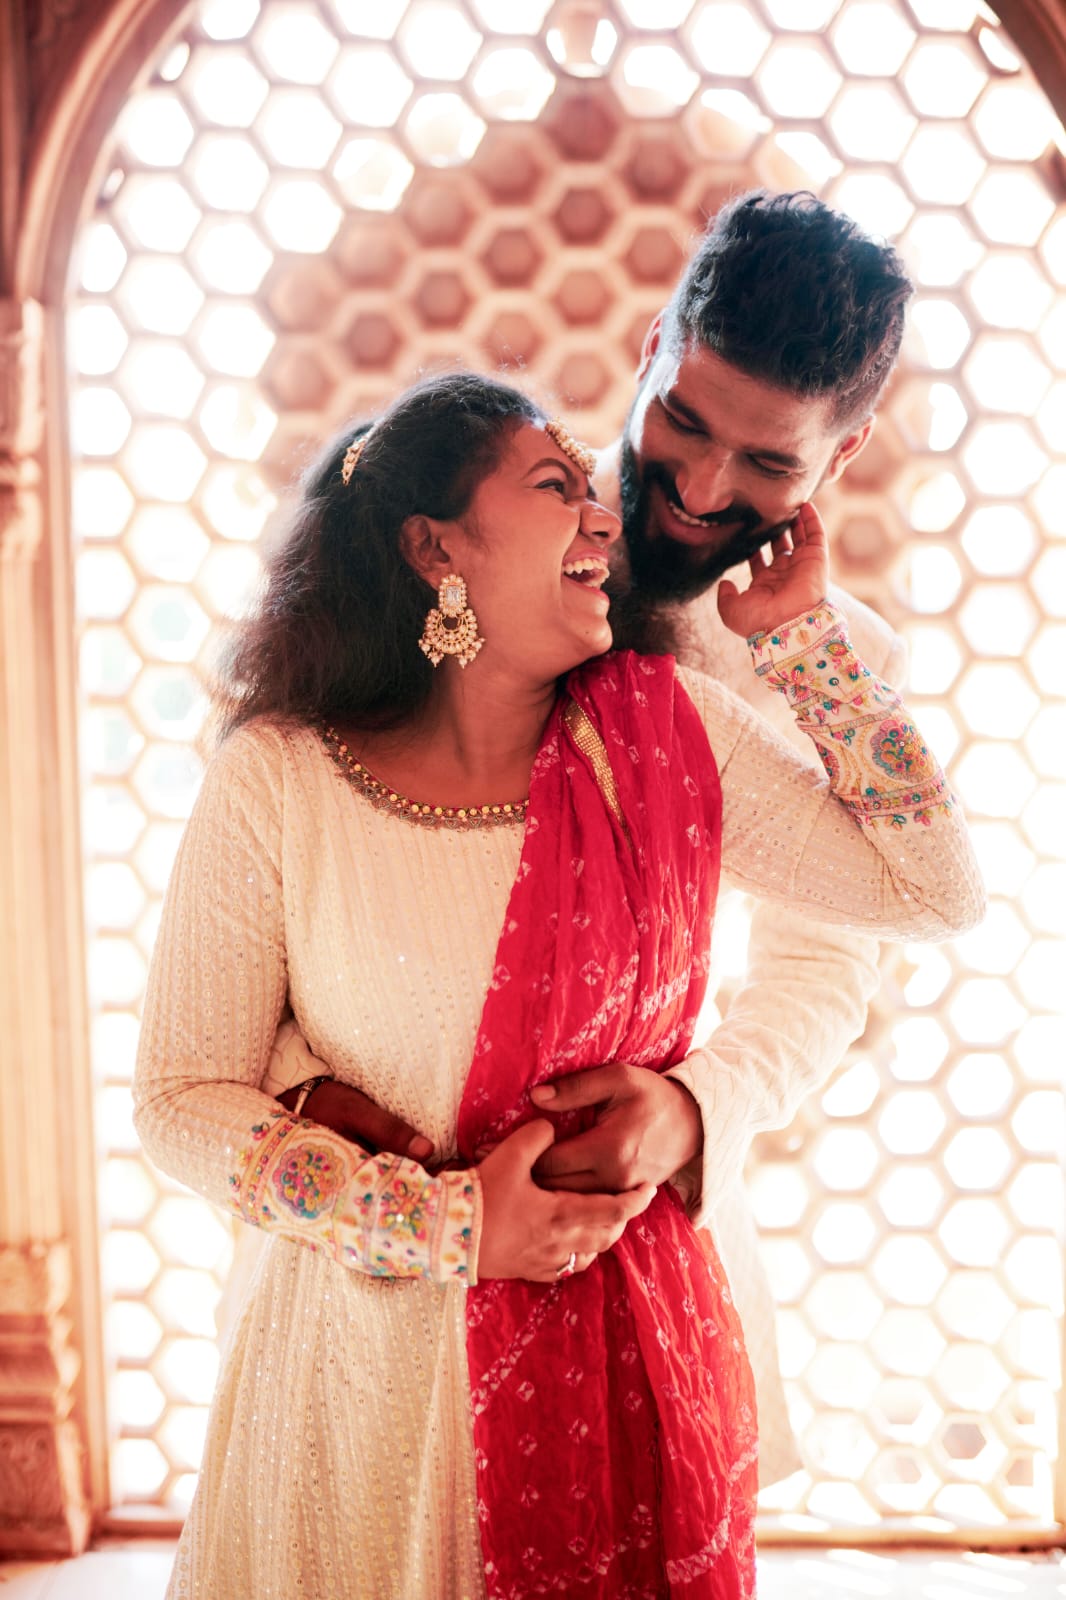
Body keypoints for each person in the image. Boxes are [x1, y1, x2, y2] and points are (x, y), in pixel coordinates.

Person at [133, 369, 984, 1598]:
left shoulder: (668, 735)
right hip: (355, 1382)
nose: (601, 516)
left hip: (624, 1363)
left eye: (587, 486)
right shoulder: (279, 779)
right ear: (435, 548)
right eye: (552, 486)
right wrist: (445, 1225)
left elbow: (933, 892)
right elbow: (180, 1098)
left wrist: (802, 643)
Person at [252, 190, 917, 1486]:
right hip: (375, 1216)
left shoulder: (833, 668)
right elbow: (282, 844)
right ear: (653, 347)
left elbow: (825, 969)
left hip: (631, 1234)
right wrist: (298, 1085)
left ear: (840, 457)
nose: (702, 488)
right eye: (684, 421)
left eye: (767, 463)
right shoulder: (470, 533)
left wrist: (689, 1110)